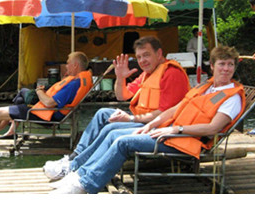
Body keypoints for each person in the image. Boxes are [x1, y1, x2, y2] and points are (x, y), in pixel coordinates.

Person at [50, 45, 245, 194]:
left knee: (122, 141)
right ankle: (79, 172)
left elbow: (213, 128)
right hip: (168, 131)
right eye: (222, 64)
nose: (226, 69)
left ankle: (85, 184)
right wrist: (152, 125)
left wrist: (174, 130)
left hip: (184, 141)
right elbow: (175, 109)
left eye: (230, 65)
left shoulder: (232, 96)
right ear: (212, 66)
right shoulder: (205, 87)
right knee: (115, 131)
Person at [43, 36, 190, 180]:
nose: (142, 61)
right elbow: (121, 96)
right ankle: (76, 156)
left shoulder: (171, 73)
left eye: (146, 55)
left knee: (110, 129)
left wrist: (131, 118)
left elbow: (163, 114)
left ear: (159, 53)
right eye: (139, 57)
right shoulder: (148, 74)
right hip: (143, 120)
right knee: (102, 113)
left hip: (158, 125)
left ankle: (75, 165)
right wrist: (120, 77)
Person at [0, 51, 92, 146]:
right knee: (13, 105)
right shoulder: (78, 80)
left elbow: (49, 102)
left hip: (46, 115)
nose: (66, 66)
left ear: (75, 66)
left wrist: (39, 91)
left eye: (68, 63)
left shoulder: (74, 84)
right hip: (45, 111)